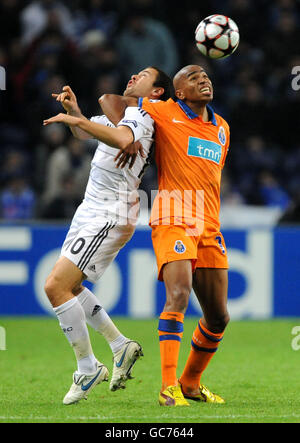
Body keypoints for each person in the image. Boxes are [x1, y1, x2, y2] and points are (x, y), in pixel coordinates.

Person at [100, 64, 231, 407]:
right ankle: (167, 387)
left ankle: (189, 383)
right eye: (193, 78)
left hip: (209, 225)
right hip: (174, 215)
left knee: (218, 317)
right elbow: (112, 100)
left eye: (205, 75)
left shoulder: (222, 129)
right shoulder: (163, 111)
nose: (203, 79)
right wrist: (127, 133)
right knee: (178, 294)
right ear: (180, 92)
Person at [43, 66, 174, 405]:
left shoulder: (142, 117)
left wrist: (78, 121)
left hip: (109, 211)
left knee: (55, 287)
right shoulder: (126, 113)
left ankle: (88, 367)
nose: (134, 76)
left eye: (144, 75)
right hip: (92, 208)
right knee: (70, 287)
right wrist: (77, 115)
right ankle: (119, 345)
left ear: (157, 92)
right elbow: (89, 135)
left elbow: (123, 140)